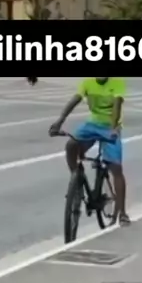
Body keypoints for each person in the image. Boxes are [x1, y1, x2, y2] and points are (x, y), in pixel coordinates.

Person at [49, 77, 131, 226]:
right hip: (92, 125)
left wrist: (113, 129)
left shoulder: (117, 82)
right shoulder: (88, 82)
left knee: (116, 168)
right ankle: (76, 179)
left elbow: (117, 106)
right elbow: (75, 100)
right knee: (71, 145)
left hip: (110, 127)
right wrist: (60, 121)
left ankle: (123, 213)